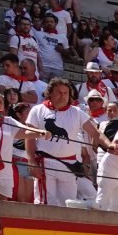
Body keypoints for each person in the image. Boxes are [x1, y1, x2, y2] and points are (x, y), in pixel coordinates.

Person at [25, 78, 99, 207]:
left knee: (68, 204)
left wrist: (98, 144)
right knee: (46, 204)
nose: (63, 96)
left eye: (66, 93)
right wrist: (31, 161)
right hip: (46, 162)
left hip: (69, 165)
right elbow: (29, 137)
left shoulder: (77, 112)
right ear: (50, 93)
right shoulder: (37, 110)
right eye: (59, 92)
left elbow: (95, 133)